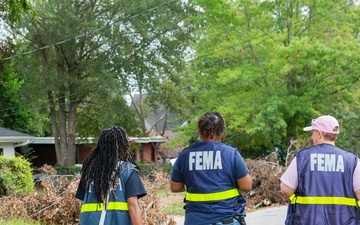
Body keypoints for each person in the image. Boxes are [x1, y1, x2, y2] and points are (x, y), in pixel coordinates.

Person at [170, 112, 252, 225]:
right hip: (226, 218)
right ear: (221, 131)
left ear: (199, 130)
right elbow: (246, 185)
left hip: (195, 219)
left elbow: (175, 187)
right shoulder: (230, 153)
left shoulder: (185, 155)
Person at [280, 115, 360, 225]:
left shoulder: (302, 157)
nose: (312, 136)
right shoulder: (352, 160)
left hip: (307, 220)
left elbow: (285, 189)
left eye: (313, 132)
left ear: (319, 133)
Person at [75, 126, 147, 225]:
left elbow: (84, 202)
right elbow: (133, 206)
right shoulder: (129, 171)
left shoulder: (89, 171)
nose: (129, 143)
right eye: (127, 141)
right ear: (119, 145)